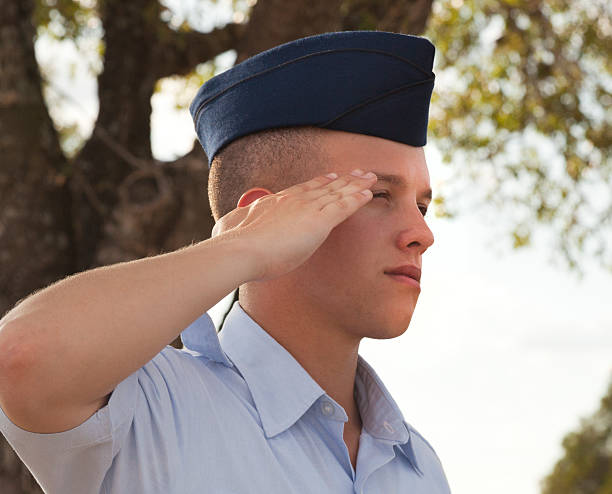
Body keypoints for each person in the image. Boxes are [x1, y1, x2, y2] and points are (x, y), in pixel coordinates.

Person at [0, 31, 451, 493]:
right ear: (265, 215)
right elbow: (22, 354)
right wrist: (244, 247)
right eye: (377, 195)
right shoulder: (147, 408)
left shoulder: (418, 468)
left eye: (421, 206)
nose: (422, 234)